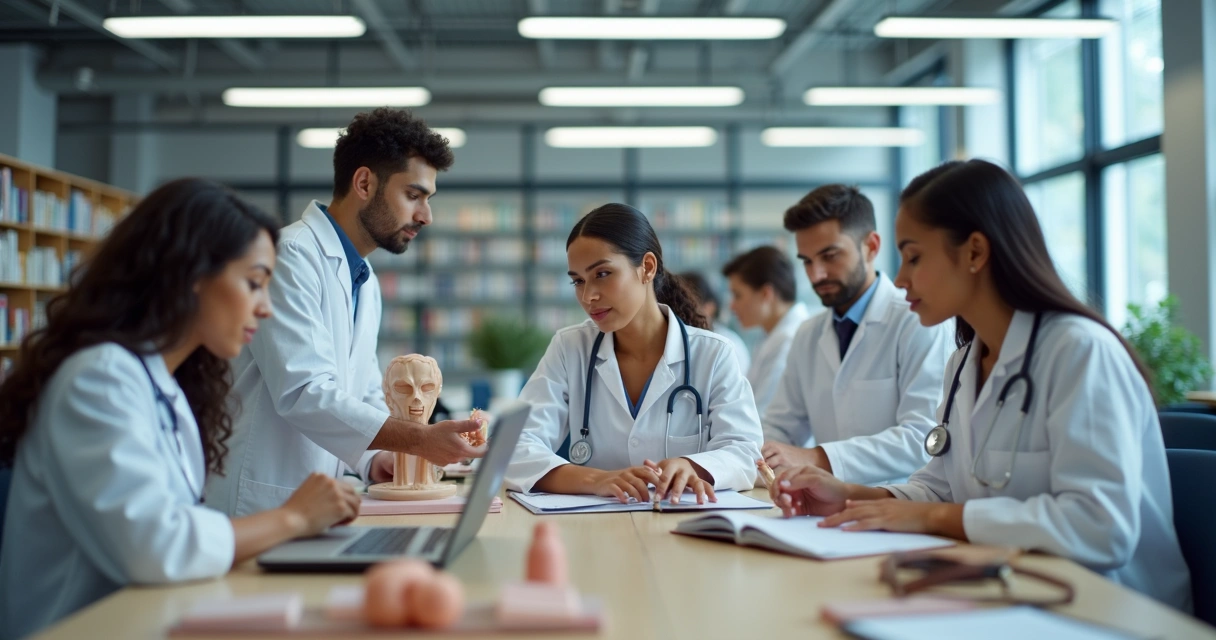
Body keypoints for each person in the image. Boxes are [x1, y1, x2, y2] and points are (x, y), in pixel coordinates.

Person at [770, 160, 1191, 611]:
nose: (903, 279)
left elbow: (1100, 528)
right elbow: (939, 488)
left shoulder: (1079, 351)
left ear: (974, 252)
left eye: (913, 257)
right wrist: (853, 496)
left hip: (1108, 608)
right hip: (1009, 590)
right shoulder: (966, 361)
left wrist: (933, 516)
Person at [0, 179, 361, 640]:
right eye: (253, 283)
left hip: (152, 615)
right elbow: (154, 546)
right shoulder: (98, 379)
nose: (266, 308)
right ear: (189, 274)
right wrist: (292, 518)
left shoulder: (163, 382)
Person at [205, 108, 485, 517]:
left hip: (316, 502)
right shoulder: (291, 256)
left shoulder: (364, 278)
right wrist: (418, 440)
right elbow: (304, 391)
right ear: (365, 183)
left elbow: (365, 392)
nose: (426, 216)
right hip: (260, 501)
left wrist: (376, 460)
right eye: (413, 195)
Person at [505, 204, 763, 503]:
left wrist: (692, 465)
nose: (588, 296)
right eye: (578, 280)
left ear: (648, 267)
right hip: (594, 530)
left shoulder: (714, 354)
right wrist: (597, 479)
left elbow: (746, 451)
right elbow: (514, 445)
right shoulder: (570, 348)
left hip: (684, 527)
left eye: (602, 273)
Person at [761, 185, 953, 485]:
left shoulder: (917, 321)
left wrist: (816, 458)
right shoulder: (808, 334)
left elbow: (925, 438)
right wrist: (766, 457)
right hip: (825, 504)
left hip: (901, 505)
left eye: (830, 256)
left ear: (871, 247)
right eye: (807, 261)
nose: (816, 275)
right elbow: (781, 426)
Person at [720, 246, 810, 414]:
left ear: (766, 294)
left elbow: (761, 414)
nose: (732, 306)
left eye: (737, 295)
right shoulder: (771, 335)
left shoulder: (789, 340)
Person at [680, 271, 751, 375]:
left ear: (710, 307)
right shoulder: (680, 342)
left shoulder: (727, 345)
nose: (681, 313)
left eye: (688, 307)